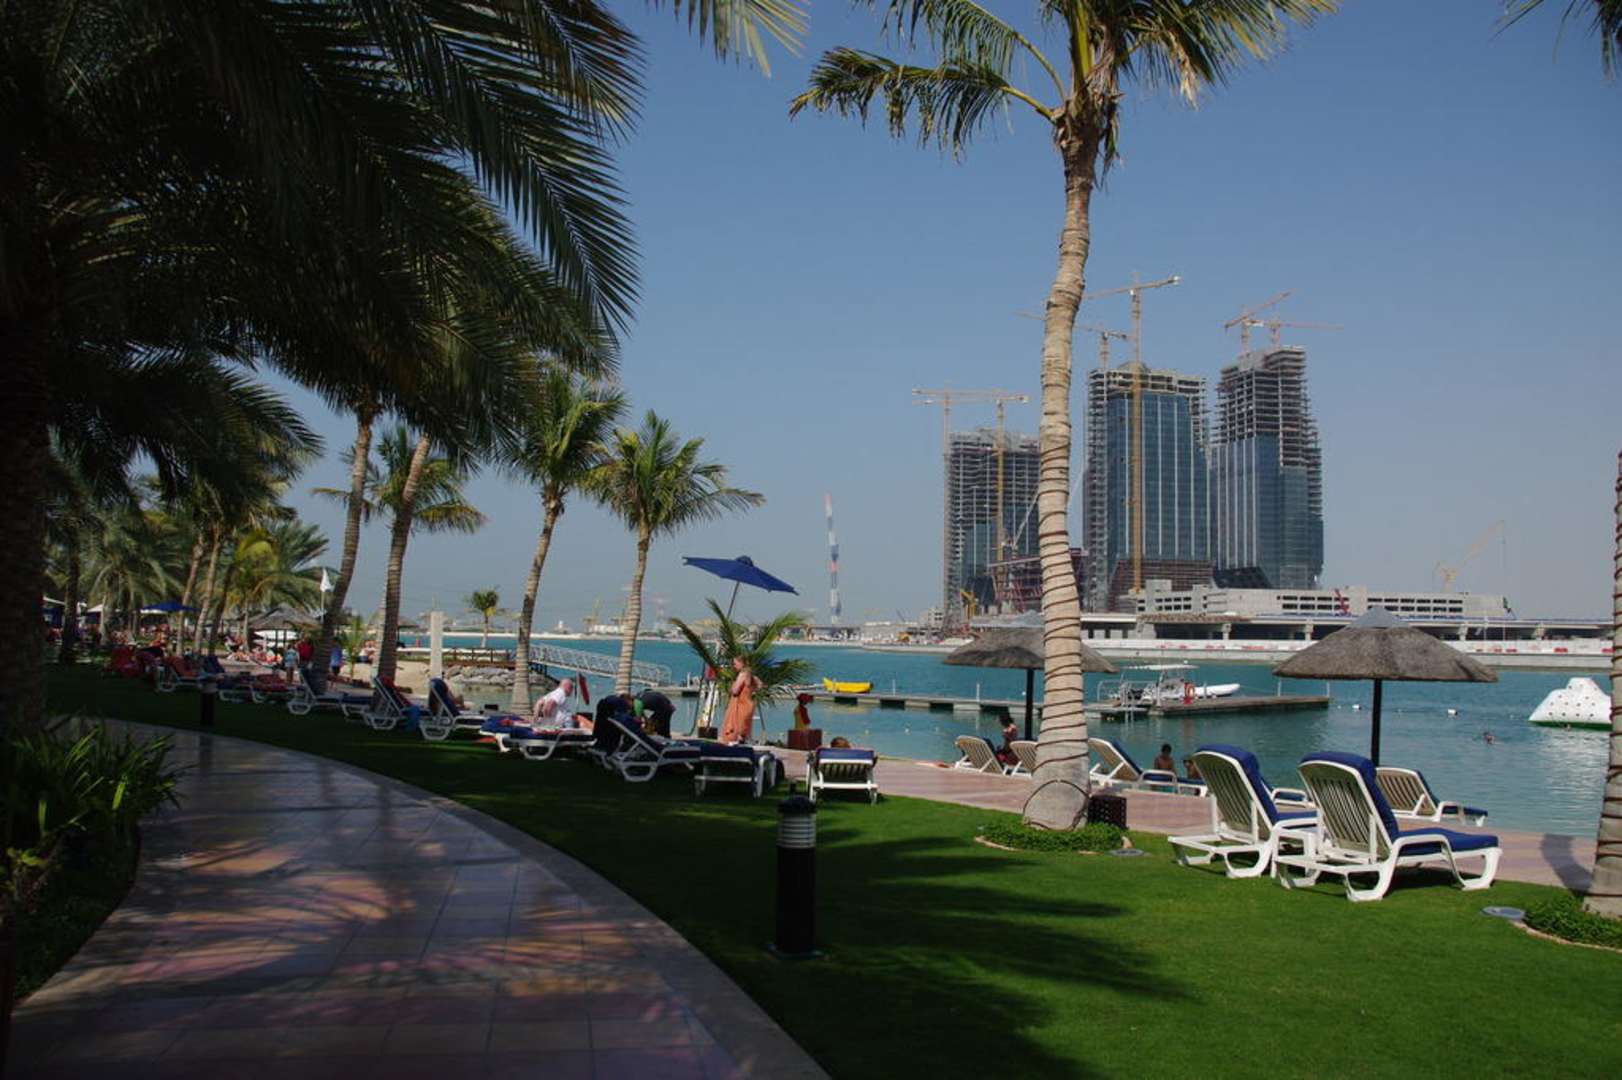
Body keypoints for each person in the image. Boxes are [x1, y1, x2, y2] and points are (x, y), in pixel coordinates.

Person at [719, 657, 761, 744]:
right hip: (748, 703)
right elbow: (760, 685)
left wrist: (731, 687)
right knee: (743, 729)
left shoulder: (742, 675)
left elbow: (735, 690)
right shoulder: (752, 676)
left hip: (740, 704)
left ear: (742, 663)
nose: (734, 666)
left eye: (735, 664)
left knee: (735, 729)